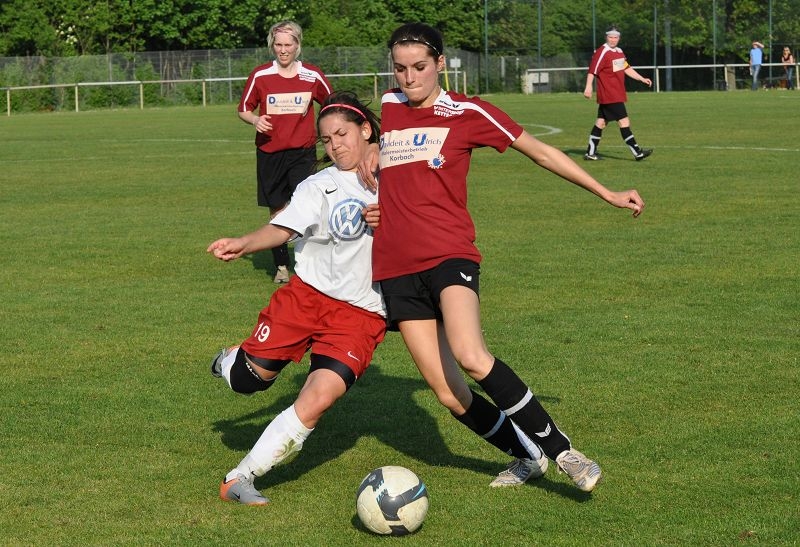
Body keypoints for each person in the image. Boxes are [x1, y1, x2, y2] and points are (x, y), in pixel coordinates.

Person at [362, 22, 645, 493]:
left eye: (418, 67)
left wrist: (607, 192)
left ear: (439, 65)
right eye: (399, 69)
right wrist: (371, 155)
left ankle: (564, 451)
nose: (409, 78)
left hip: (449, 253)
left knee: (472, 356)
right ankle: (527, 456)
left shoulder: (468, 112)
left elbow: (541, 153)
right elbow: (359, 140)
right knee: (449, 393)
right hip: (394, 266)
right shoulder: (389, 107)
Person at [208, 91, 384, 505]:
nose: (335, 144)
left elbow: (424, 141)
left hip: (361, 314)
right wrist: (245, 243)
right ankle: (232, 359)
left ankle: (240, 479)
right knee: (247, 382)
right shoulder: (317, 185)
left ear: (365, 130)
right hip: (306, 298)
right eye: (326, 138)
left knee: (319, 397)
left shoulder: (397, 173)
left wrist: (383, 150)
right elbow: (283, 229)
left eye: (342, 133)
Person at [238, 20, 333, 283]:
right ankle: (281, 267)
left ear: (298, 46)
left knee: (310, 207)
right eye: (278, 44)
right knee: (278, 209)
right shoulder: (260, 75)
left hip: (302, 153)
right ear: (272, 45)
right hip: (270, 152)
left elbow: (332, 103)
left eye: (288, 44)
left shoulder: (312, 76)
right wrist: (256, 120)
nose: (283, 50)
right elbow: (243, 109)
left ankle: (312, 266)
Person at [583, 25, 653, 161]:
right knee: (624, 121)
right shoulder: (602, 52)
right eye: (611, 37)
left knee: (601, 123)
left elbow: (626, 68)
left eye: (616, 37)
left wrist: (641, 78)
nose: (613, 40)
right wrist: (588, 87)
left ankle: (590, 153)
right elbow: (592, 71)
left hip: (616, 93)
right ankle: (637, 152)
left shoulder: (618, 51)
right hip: (610, 94)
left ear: (619, 38)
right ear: (606, 37)